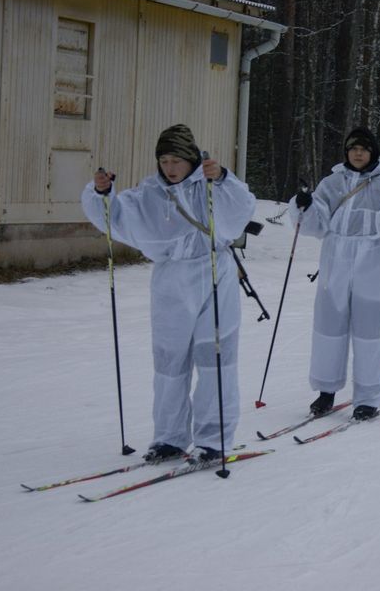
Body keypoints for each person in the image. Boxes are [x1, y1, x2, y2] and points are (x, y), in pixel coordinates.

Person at [82, 124, 256, 463]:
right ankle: (169, 437)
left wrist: (223, 178)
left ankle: (213, 439)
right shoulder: (150, 193)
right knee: (169, 363)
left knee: (214, 359)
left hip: (213, 274)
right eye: (164, 160)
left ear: (191, 159)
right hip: (170, 280)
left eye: (176, 159)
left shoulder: (211, 185)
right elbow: (114, 216)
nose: (170, 167)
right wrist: (101, 192)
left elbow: (242, 210)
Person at [289, 127, 380, 421]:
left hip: (372, 260)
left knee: (369, 332)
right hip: (336, 258)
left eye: (364, 148)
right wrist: (304, 206)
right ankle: (326, 390)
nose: (358, 153)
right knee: (328, 327)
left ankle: (369, 396)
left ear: (373, 152)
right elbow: (316, 224)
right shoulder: (332, 182)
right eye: (353, 148)